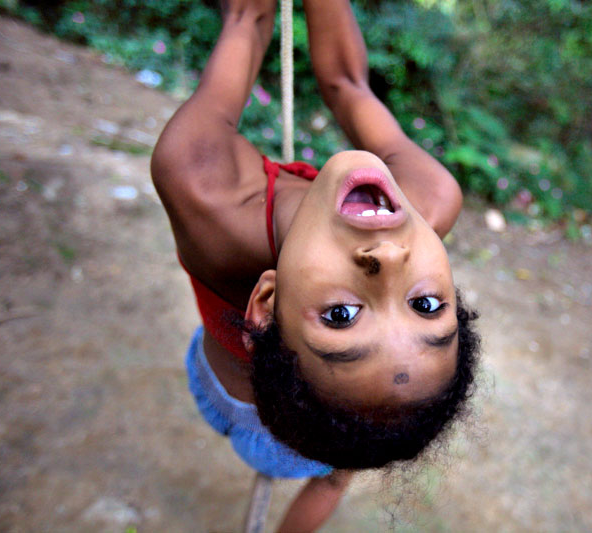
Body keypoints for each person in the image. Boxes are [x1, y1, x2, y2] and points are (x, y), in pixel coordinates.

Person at [151, 0, 480, 530]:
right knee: (344, 458)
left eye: (343, 316)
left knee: (353, 427)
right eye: (424, 304)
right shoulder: (428, 199)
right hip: (326, 432)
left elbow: (247, 18)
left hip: (226, 400)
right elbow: (349, 84)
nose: (390, 256)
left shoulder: (201, 186)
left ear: (267, 301)